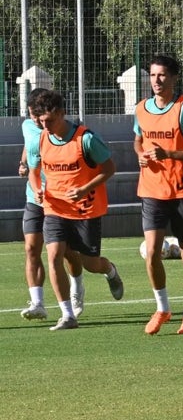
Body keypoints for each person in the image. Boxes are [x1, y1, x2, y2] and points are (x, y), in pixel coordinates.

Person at [26, 89, 120, 331]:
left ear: (61, 113)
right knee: (54, 255)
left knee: (91, 264)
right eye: (41, 121)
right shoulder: (41, 139)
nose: (44, 126)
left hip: (85, 210)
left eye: (49, 120)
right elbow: (34, 172)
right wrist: (37, 189)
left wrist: (83, 189)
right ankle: (68, 315)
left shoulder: (85, 138)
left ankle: (109, 269)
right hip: (54, 208)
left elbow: (109, 168)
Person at [134, 54, 183, 335]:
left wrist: (169, 153)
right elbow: (138, 138)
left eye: (162, 75)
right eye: (153, 75)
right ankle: (163, 308)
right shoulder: (141, 108)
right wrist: (140, 155)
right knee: (152, 252)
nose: (156, 80)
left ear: (174, 78)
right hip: (152, 190)